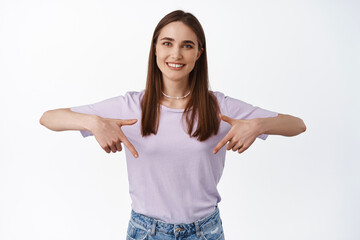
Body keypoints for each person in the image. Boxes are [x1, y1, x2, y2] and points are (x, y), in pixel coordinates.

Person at [40, 9, 306, 240]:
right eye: (167, 43)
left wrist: (258, 125)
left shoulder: (219, 107)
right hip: (146, 231)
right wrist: (93, 122)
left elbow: (297, 125)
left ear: (199, 53)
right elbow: (49, 117)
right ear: (155, 47)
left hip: (205, 232)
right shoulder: (131, 106)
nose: (176, 54)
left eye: (187, 45)